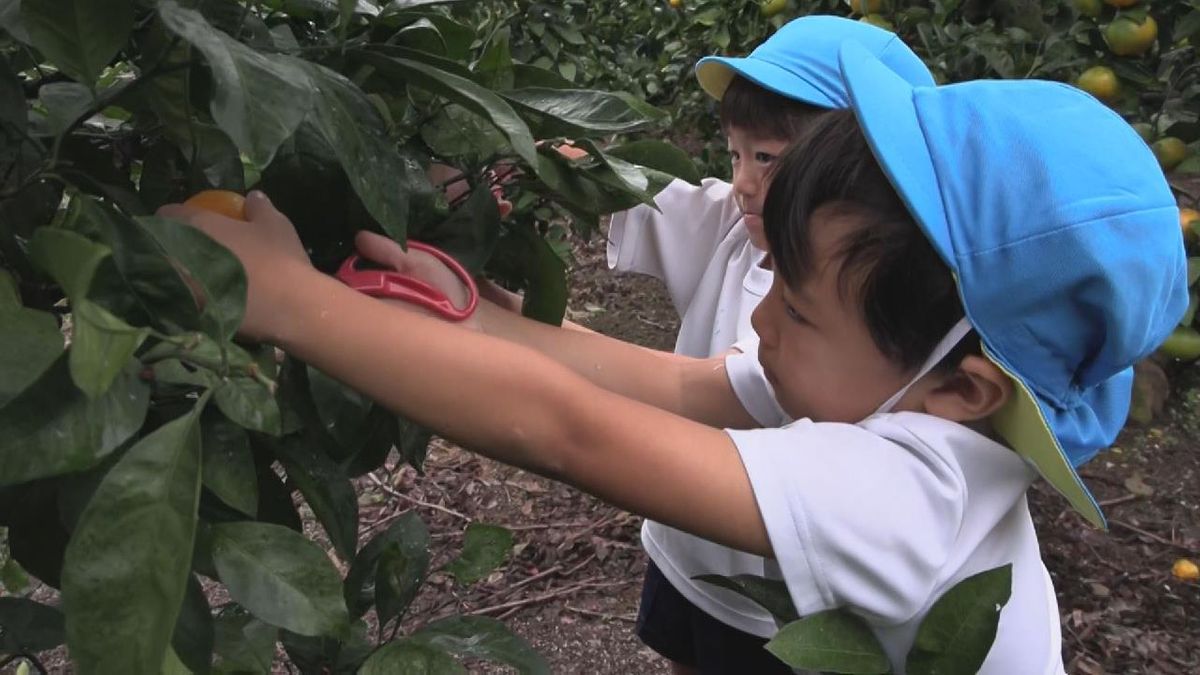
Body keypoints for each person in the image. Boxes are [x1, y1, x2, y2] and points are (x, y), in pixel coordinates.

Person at [160, 44, 1186, 673]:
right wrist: (474, 319)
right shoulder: (897, 394)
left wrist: (283, 299)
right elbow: (680, 385)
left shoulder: (909, 493)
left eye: (793, 303)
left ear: (967, 385)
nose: (762, 326)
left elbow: (567, 430)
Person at [470, 16, 937, 671]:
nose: (743, 180)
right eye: (735, 152)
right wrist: (519, 160)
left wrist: (485, 322)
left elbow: (710, 390)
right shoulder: (735, 221)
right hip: (688, 551)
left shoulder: (860, 319)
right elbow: (624, 188)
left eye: (768, 157)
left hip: (792, 602)